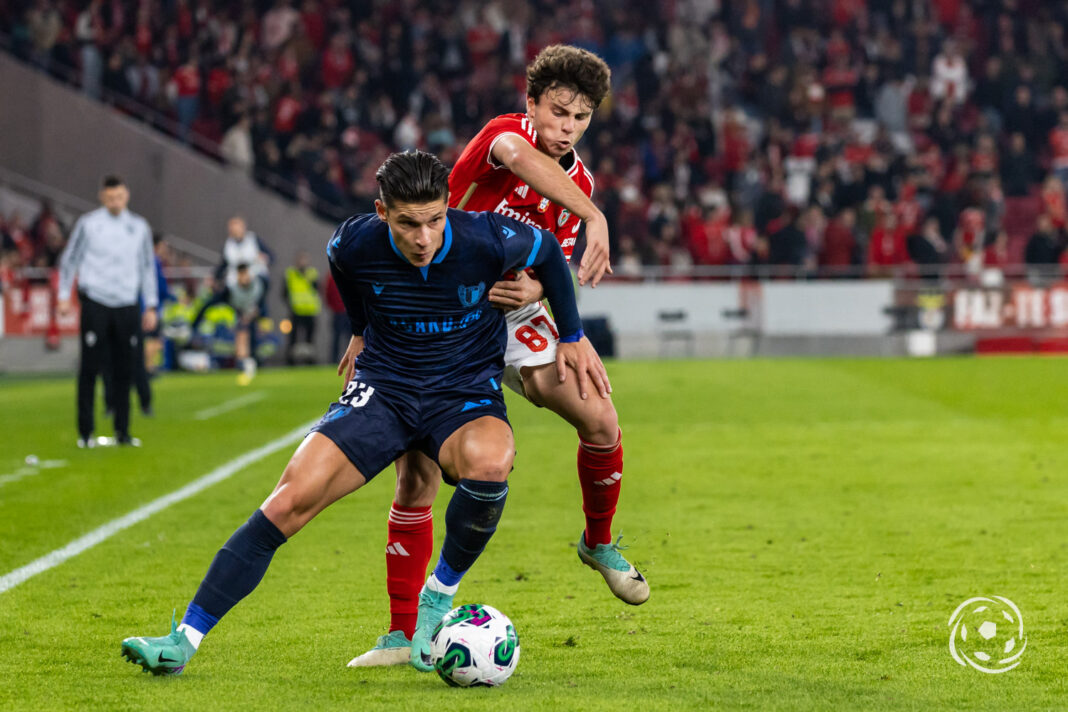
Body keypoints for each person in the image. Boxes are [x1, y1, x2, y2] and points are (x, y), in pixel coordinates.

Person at [120, 150, 607, 676]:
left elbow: (552, 253)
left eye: (435, 219)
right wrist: (358, 331)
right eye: (408, 223)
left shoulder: (488, 236)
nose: (424, 237)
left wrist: (573, 334)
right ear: (382, 212)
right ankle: (183, 640)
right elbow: (346, 276)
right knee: (287, 502)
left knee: (493, 461)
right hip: (384, 390)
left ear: (449, 207)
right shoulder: (351, 243)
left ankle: (437, 596)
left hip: (462, 391)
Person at [348, 45, 648, 669]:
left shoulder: (580, 182)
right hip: (443, 310)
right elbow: (520, 160)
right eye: (558, 112)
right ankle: (404, 632)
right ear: (531, 105)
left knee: (601, 418)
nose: (567, 127)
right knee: (416, 475)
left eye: (581, 118)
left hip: (511, 314)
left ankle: (598, 542)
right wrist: (594, 216)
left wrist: (541, 286)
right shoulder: (503, 138)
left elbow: (551, 261)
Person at [57, 175, 158, 448]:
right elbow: (70, 260)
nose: (115, 202)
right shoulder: (89, 225)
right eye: (110, 197)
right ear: (102, 197)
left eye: (120, 197)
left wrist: (150, 304)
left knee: (126, 368)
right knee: (90, 367)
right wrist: (63, 295)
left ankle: (122, 432)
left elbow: (148, 267)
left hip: (126, 303)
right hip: (96, 301)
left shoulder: (138, 227)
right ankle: (86, 432)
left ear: (127, 196)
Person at [190, 263, 264, 384]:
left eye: (245, 274)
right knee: (241, 332)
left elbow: (261, 304)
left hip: (250, 313)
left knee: (248, 333)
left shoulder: (258, 286)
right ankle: (243, 361)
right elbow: (210, 304)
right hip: (236, 311)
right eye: (241, 275)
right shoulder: (230, 290)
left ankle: (249, 360)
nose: (243, 278)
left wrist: (256, 313)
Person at [282, 250, 321, 364]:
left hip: (310, 311)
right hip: (296, 311)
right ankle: (290, 362)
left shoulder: (312, 273)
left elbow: (317, 290)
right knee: (293, 339)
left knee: (310, 339)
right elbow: (284, 293)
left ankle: (310, 361)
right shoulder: (290, 274)